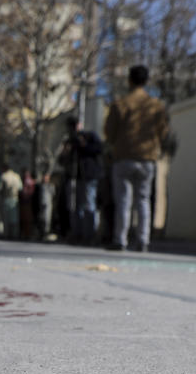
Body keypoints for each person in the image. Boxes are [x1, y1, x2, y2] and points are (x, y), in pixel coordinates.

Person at [104, 65, 170, 252]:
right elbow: (164, 132)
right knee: (143, 199)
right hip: (147, 157)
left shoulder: (121, 104)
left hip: (124, 157)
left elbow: (109, 132)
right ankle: (143, 239)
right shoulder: (156, 105)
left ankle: (121, 239)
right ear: (146, 81)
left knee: (123, 200)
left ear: (129, 80)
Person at [59, 117, 104, 245]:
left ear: (79, 125)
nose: (72, 129)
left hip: (88, 177)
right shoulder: (69, 141)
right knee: (74, 206)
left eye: (74, 126)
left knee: (89, 204)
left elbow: (99, 149)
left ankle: (90, 235)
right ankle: (77, 233)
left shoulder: (90, 136)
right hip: (73, 177)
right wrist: (66, 151)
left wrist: (84, 144)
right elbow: (61, 161)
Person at [0, 166, 22, 240]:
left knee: (6, 218)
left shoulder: (3, 176)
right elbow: (20, 188)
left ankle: (6, 234)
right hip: (15, 199)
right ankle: (14, 234)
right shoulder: (16, 176)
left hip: (6, 198)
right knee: (14, 218)